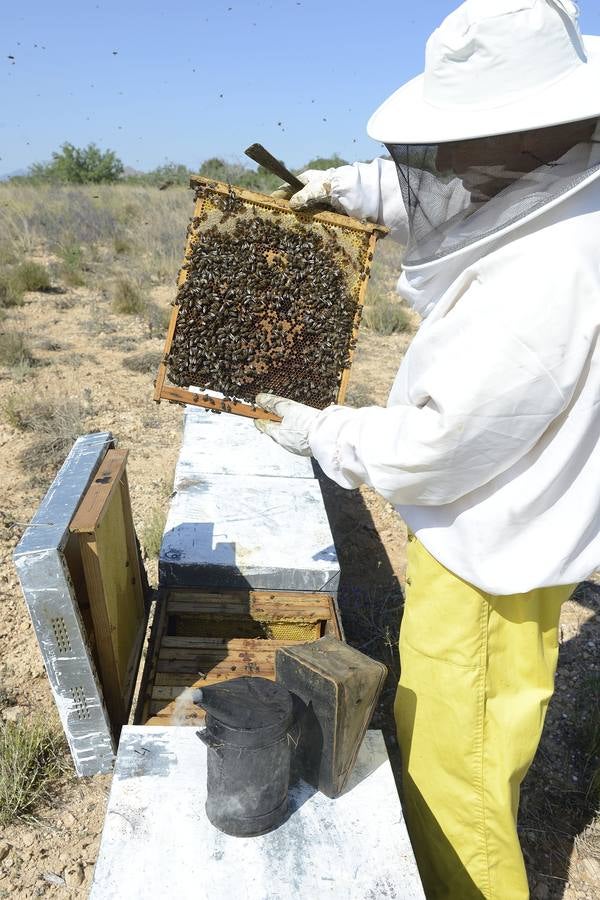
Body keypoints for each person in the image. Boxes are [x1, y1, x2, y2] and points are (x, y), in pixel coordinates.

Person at [254, 1, 600, 897]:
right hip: (515, 528)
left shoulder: (549, 273)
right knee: (462, 746)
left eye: (463, 138)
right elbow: (466, 200)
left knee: (458, 785)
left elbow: (441, 445)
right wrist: (345, 186)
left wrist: (323, 431)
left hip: (490, 560)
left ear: (526, 131)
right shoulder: (567, 177)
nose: (445, 160)